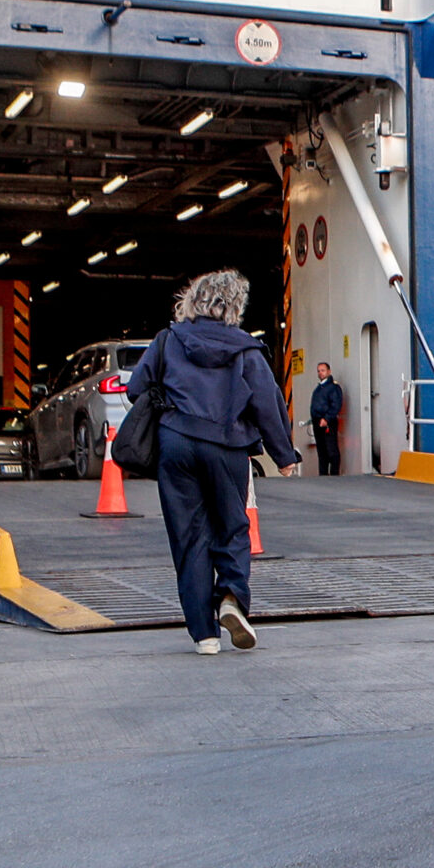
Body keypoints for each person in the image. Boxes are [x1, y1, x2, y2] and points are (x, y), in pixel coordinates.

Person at [122, 271, 299, 654]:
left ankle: (204, 635)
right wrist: (283, 455)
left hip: (177, 444)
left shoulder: (168, 339)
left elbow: (136, 387)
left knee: (189, 538)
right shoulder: (246, 350)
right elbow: (267, 404)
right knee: (232, 528)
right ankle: (232, 598)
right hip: (227, 446)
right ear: (234, 307)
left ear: (193, 301)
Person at [309, 363, 343, 477]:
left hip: (327, 422)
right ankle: (323, 475)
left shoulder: (333, 387)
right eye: (318, 371)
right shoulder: (319, 388)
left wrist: (327, 418)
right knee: (321, 450)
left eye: (323, 370)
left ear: (329, 371)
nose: (320, 373)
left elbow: (336, 405)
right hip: (317, 421)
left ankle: (334, 474)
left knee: (331, 449)